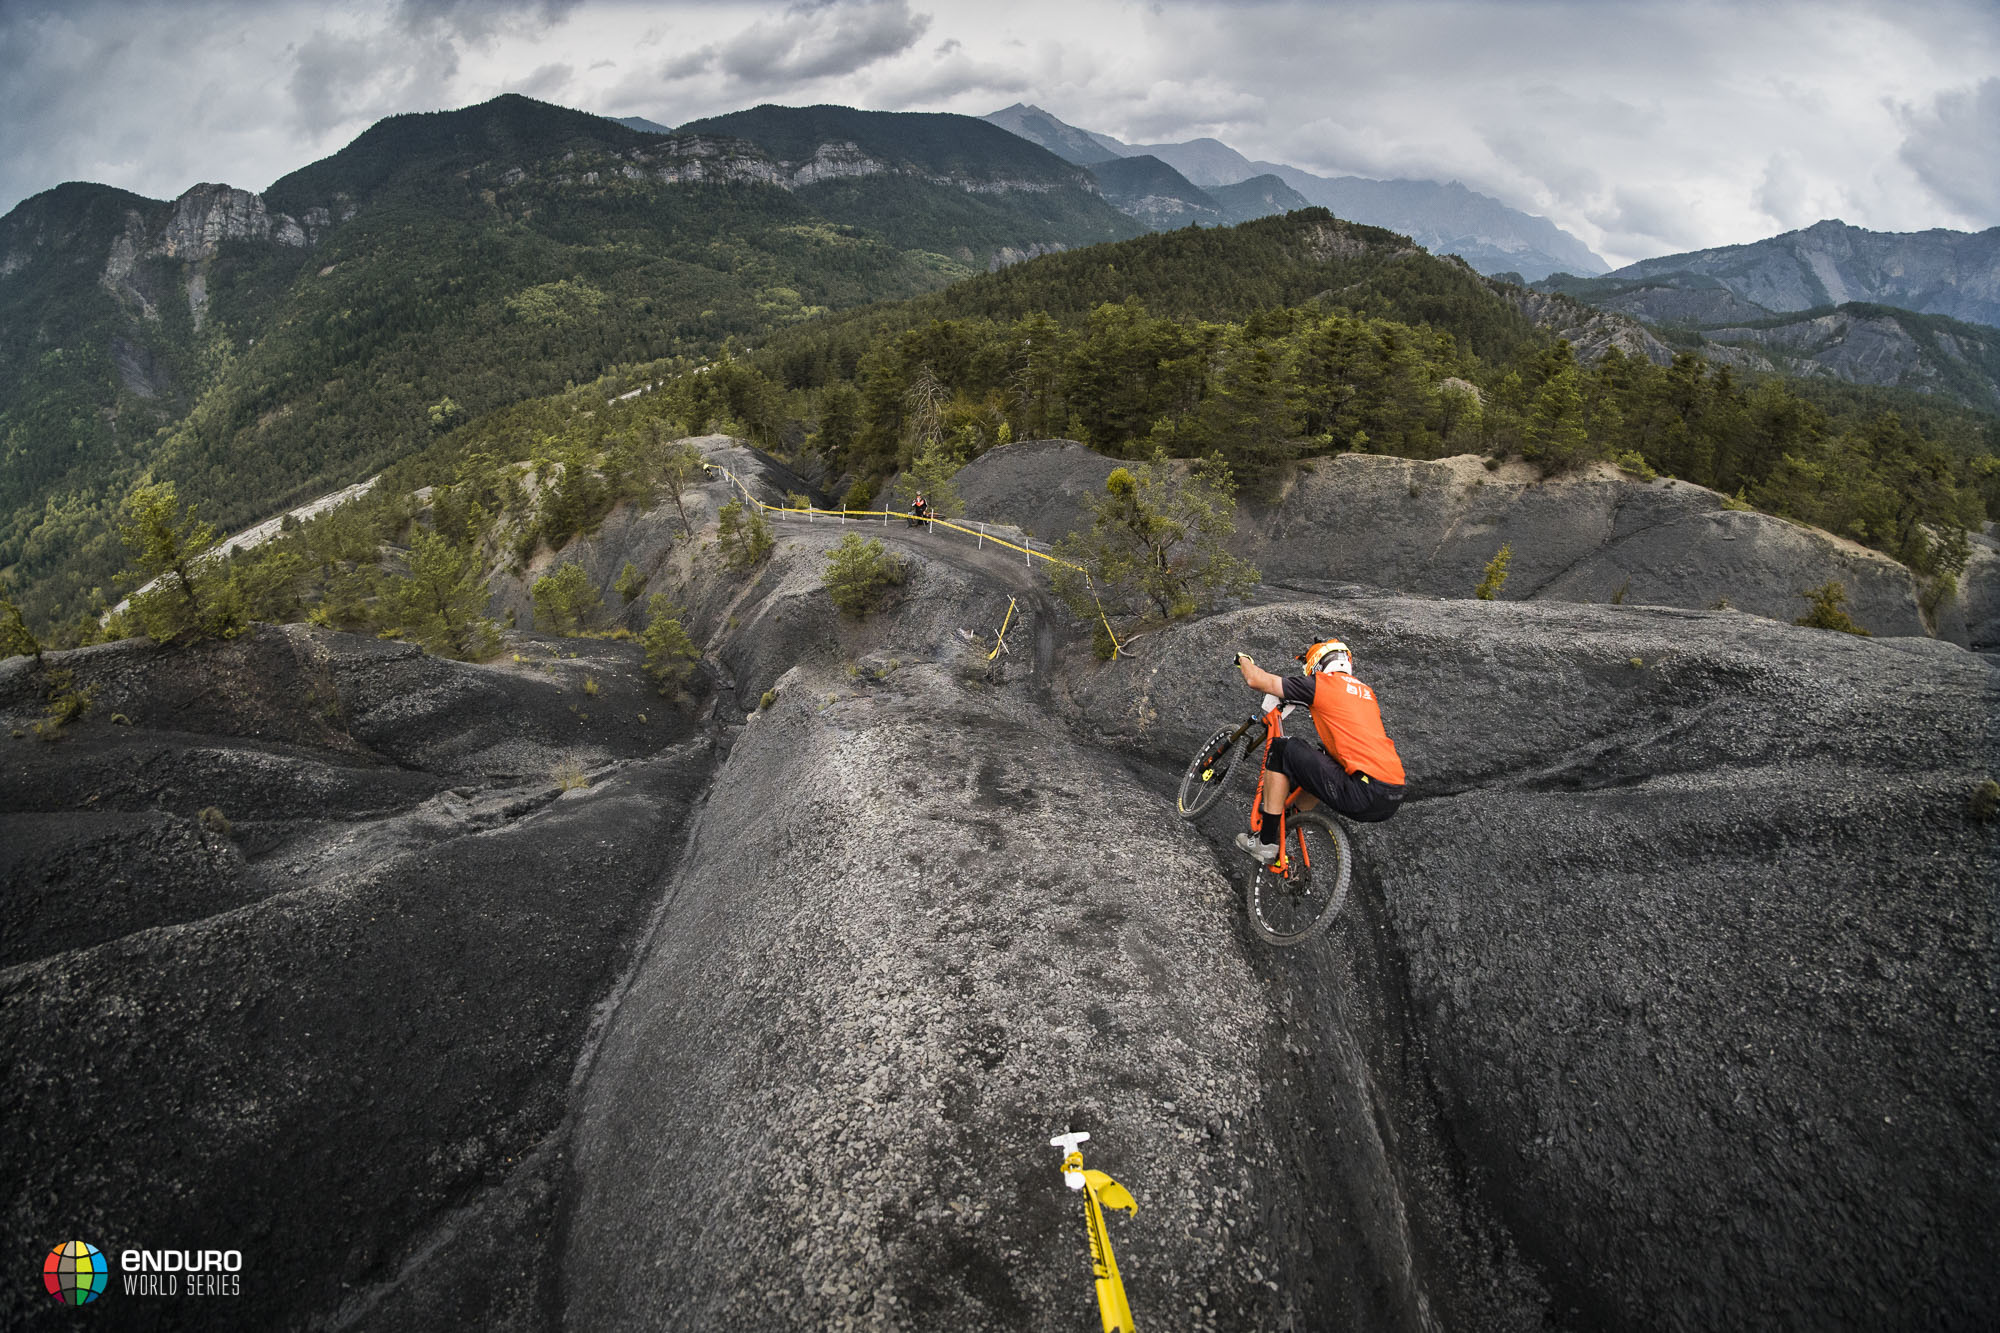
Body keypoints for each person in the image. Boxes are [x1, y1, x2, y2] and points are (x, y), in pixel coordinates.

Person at [1231, 638, 1406, 865]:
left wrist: (1243, 660)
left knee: (1283, 748)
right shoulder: (1366, 693)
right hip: (1392, 796)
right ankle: (1290, 819)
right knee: (1323, 759)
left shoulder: (1322, 684)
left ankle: (1266, 841)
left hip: (1363, 790)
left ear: (1318, 663)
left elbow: (1256, 680)